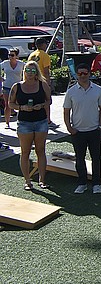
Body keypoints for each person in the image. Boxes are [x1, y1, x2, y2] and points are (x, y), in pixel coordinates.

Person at [63, 64, 101, 194]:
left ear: (89, 74)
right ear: (76, 75)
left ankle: (96, 184)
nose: (83, 76)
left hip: (94, 130)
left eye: (85, 73)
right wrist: (69, 128)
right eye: (80, 74)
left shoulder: (98, 90)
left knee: (96, 158)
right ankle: (82, 183)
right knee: (80, 158)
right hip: (78, 131)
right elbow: (66, 111)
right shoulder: (71, 91)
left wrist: (100, 126)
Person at [10, 61, 52, 190]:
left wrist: (42, 105)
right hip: (24, 123)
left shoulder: (42, 85)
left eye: (33, 71)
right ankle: (27, 181)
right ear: (24, 72)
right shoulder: (17, 86)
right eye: (28, 71)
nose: (30, 74)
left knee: (40, 151)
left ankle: (42, 180)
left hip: (41, 121)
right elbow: (11, 104)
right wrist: (21, 107)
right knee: (25, 152)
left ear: (36, 73)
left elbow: (49, 100)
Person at [2, 48, 23, 128]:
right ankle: (7, 123)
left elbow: (27, 71)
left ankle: (21, 121)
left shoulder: (21, 64)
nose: (10, 57)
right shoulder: (5, 63)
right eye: (9, 55)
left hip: (18, 87)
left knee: (19, 104)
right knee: (7, 105)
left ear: (16, 56)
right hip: (7, 86)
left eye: (12, 55)